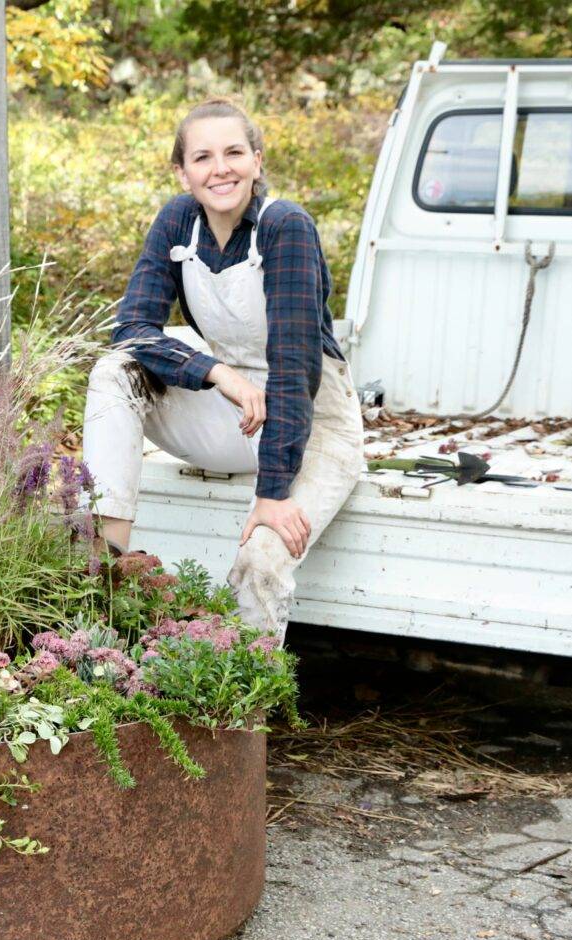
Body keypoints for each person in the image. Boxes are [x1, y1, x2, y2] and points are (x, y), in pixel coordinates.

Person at [82, 98, 364, 643]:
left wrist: (273, 494)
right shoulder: (177, 221)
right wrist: (218, 374)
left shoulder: (286, 227)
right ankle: (107, 562)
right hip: (235, 413)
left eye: (234, 152)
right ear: (183, 171)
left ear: (257, 161)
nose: (221, 168)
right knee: (114, 371)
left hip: (310, 423)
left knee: (262, 559)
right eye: (203, 157)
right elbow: (133, 330)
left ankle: (249, 713)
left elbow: (296, 369)